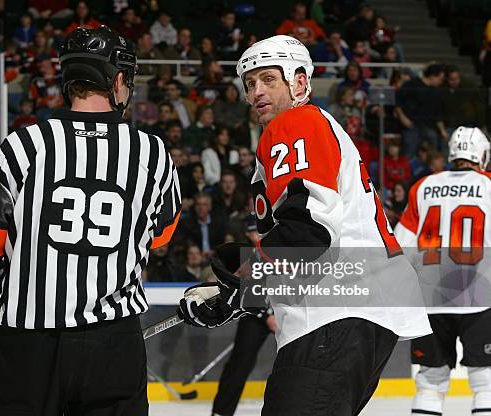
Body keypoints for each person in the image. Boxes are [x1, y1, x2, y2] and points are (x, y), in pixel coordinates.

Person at [178, 35, 431, 415]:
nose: (256, 91)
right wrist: (235, 294)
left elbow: (309, 229)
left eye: (268, 79)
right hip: (355, 311)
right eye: (250, 84)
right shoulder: (312, 127)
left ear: (299, 82)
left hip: (335, 312)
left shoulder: (296, 122)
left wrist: (243, 283)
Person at [0, 26, 181, 416]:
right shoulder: (153, 154)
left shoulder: (21, 147)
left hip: (26, 344)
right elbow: (160, 237)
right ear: (119, 80)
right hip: (114, 345)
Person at [394, 126, 491, 416]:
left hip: (431, 298)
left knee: (430, 381)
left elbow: (401, 245)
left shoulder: (423, 187)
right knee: (485, 382)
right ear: (482, 155)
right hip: (480, 296)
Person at [212, 222, 275, 416]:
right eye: (251, 231)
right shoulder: (245, 257)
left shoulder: (279, 246)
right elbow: (246, 291)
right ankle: (222, 412)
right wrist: (267, 315)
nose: (255, 235)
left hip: (285, 311)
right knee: (240, 362)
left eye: (258, 231)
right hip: (255, 314)